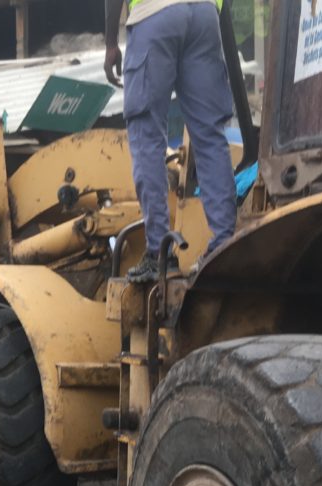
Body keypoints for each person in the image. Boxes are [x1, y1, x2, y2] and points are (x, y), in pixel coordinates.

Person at [105, 0, 237, 281]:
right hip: (204, 15)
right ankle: (225, 243)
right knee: (210, 135)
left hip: (155, 15)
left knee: (146, 136)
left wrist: (110, 44)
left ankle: (158, 253)